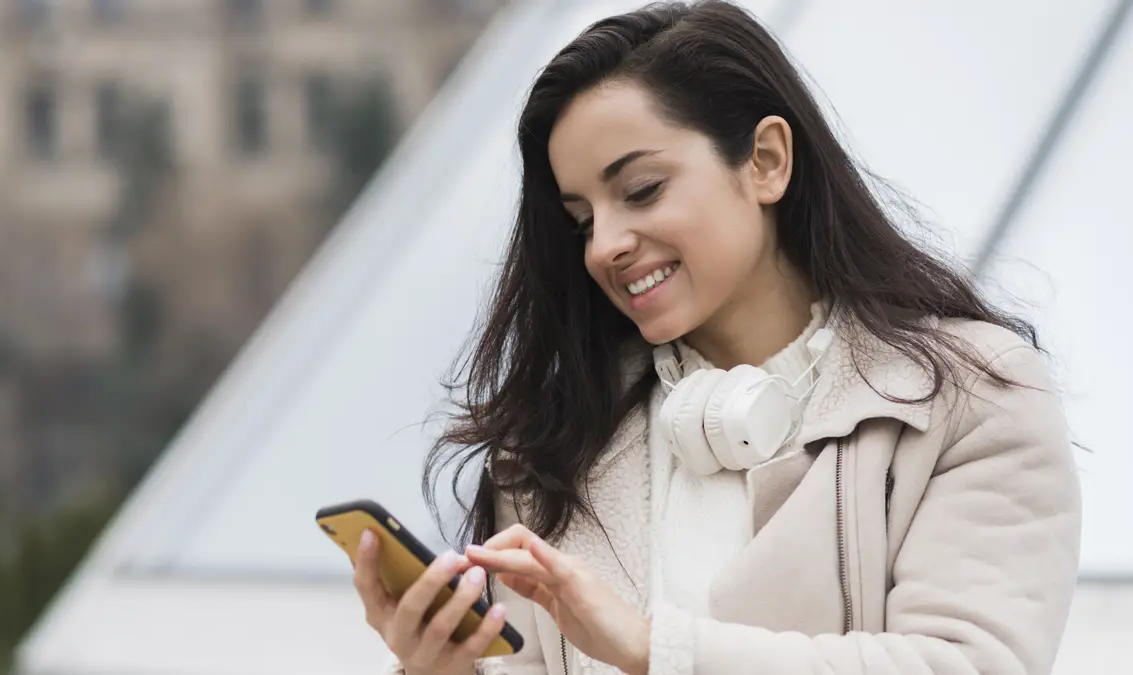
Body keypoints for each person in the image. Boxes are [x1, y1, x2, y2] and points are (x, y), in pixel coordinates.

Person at [351, 2, 1082, 674]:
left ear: (765, 160)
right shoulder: (555, 440)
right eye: (580, 218)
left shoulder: (968, 396)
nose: (603, 244)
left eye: (640, 190)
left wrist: (654, 650)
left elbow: (965, 664)